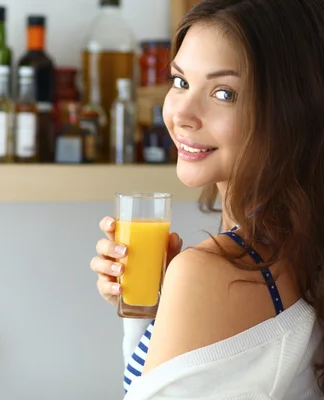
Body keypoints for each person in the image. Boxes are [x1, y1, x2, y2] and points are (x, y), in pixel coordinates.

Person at [90, 1, 324, 399]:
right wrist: (148, 311)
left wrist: (188, 288)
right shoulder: (299, 247)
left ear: (288, 111)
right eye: (180, 82)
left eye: (223, 93)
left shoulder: (215, 271)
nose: (182, 113)